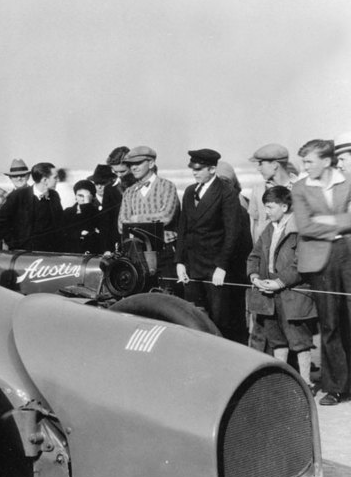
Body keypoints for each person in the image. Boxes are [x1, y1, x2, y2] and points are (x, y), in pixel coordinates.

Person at [291, 138, 351, 405]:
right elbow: (304, 226)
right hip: (320, 260)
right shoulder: (301, 187)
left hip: (347, 255)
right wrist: (341, 224)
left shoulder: (347, 182)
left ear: (326, 161)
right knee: (330, 323)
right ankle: (337, 387)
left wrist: (326, 220)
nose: (305, 166)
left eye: (309, 161)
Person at [247, 186, 316, 385]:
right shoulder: (269, 228)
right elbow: (254, 255)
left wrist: (279, 282)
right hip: (267, 295)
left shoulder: (299, 229)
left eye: (269, 207)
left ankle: (305, 381)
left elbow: (300, 262)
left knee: (299, 340)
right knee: (277, 339)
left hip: (292, 295)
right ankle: (282, 381)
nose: (265, 212)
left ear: (284, 206)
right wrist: (254, 277)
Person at [175, 149, 246, 340]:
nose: (195, 172)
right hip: (192, 266)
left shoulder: (226, 192)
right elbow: (183, 228)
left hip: (215, 268)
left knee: (220, 319)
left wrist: (222, 266)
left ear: (212, 169)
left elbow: (232, 233)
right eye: (193, 169)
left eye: (199, 169)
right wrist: (180, 262)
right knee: (194, 317)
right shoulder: (190, 192)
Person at [118, 145, 180, 277]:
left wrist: (137, 219)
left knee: (167, 294)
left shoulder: (167, 186)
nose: (133, 168)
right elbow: (121, 225)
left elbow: (166, 216)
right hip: (138, 252)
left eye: (138, 163)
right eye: (130, 164)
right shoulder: (129, 192)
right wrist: (152, 221)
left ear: (151, 163)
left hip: (165, 250)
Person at [0, 162, 64, 252]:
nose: (58, 180)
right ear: (45, 180)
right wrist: (14, 244)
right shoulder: (18, 196)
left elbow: (60, 224)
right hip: (25, 256)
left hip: (51, 255)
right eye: (55, 177)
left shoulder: (54, 196)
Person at [246, 144, 296, 241]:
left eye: (261, 163)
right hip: (265, 250)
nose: (258, 168)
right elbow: (256, 225)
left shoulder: (299, 188)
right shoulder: (258, 190)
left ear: (274, 165)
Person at [87, 164, 122, 252]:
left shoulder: (116, 200)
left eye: (103, 183)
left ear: (111, 181)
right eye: (96, 183)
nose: (99, 187)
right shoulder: (90, 202)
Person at [62, 180, 103, 254]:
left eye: (87, 196)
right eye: (80, 195)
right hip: (72, 251)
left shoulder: (98, 213)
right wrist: (79, 234)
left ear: (93, 197)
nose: (83, 199)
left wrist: (87, 207)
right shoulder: (68, 212)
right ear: (75, 196)